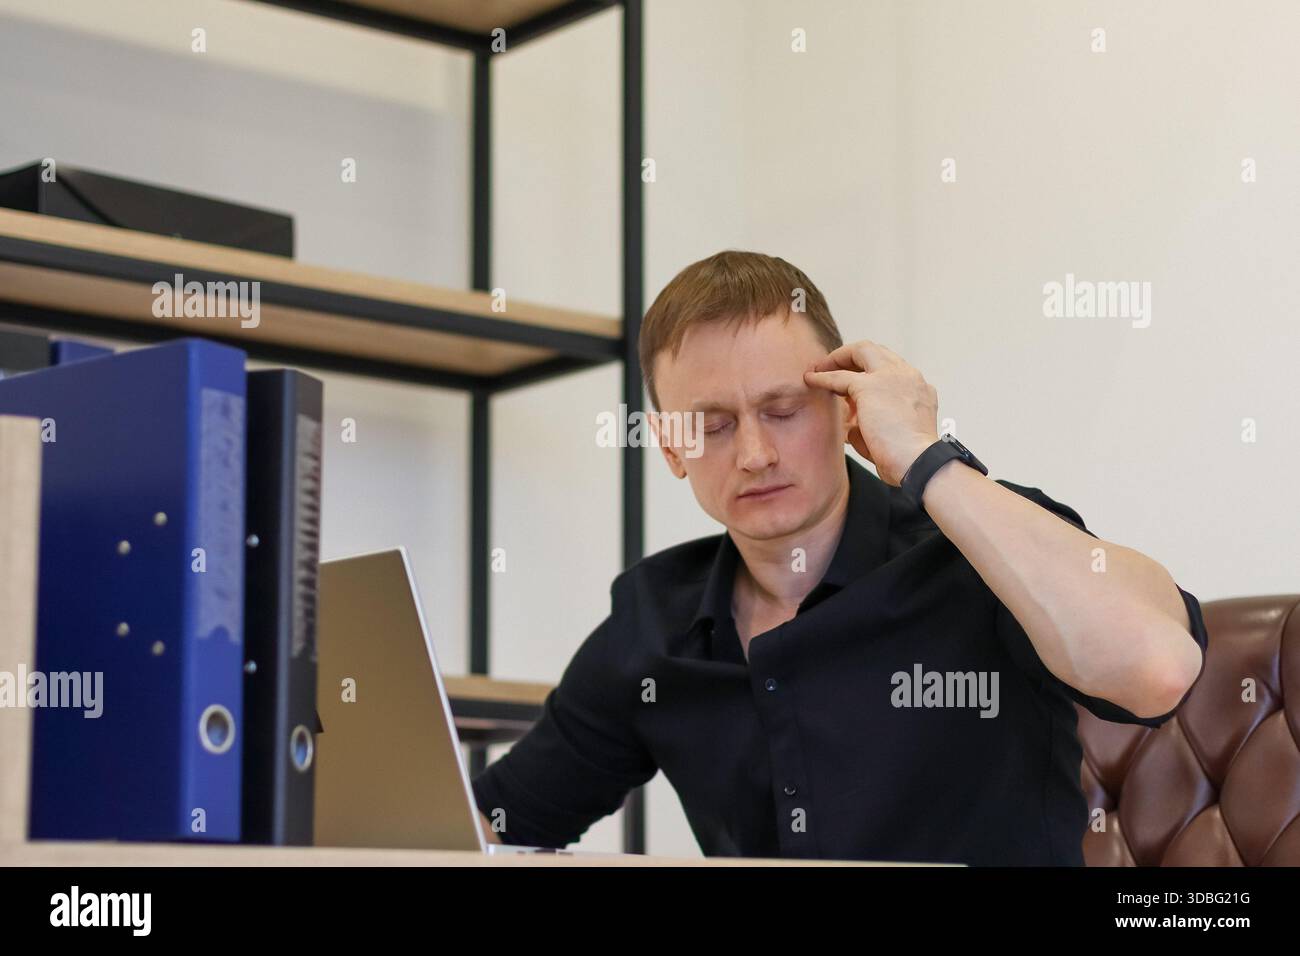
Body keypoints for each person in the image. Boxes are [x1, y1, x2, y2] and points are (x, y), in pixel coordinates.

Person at [472, 250, 1208, 865]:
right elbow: (494, 824)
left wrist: (926, 457)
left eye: (783, 410)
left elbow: (1155, 670)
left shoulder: (977, 549)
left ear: (846, 407)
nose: (756, 454)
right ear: (672, 447)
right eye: (714, 426)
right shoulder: (652, 622)